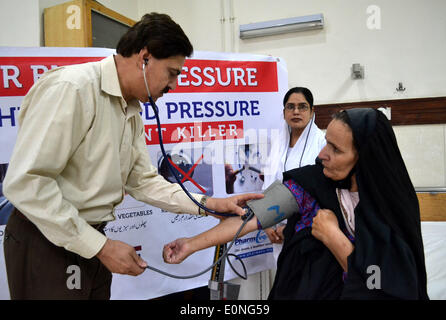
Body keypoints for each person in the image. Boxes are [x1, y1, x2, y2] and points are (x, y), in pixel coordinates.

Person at [2, 13, 262, 300]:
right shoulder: (72, 88)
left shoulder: (130, 108)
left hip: (88, 240)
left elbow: (142, 181)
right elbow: (27, 182)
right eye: (172, 73)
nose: (173, 86)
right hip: (48, 239)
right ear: (145, 57)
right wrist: (99, 247)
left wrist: (210, 204)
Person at [163, 108, 429, 300]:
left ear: (365, 160)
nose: (322, 155)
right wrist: (191, 244)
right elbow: (248, 218)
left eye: (336, 150)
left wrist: (334, 238)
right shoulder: (308, 184)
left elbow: (382, 285)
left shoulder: (392, 207)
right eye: (326, 142)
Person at [262, 87, 325, 247]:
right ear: (284, 112)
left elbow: (324, 193)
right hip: (275, 230)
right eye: (290, 107)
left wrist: (291, 227)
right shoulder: (278, 143)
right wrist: (266, 224)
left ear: (312, 111)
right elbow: (268, 183)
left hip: (308, 230)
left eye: (302, 107)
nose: (296, 111)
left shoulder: (322, 143)